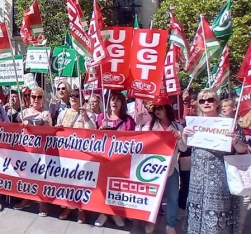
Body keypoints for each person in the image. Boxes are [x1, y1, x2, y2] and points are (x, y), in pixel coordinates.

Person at [182, 89, 249, 234]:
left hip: (220, 181)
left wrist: (236, 141)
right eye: (202, 100)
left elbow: (243, 150)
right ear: (198, 104)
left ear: (217, 102)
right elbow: (183, 147)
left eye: (210, 100)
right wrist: (183, 136)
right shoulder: (193, 123)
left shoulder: (229, 124)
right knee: (196, 213)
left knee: (218, 216)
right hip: (197, 180)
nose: (206, 103)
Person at [140, 97, 185, 234]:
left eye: (161, 108)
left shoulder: (178, 127)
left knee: (172, 197)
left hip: (172, 168)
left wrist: (179, 137)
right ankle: (150, 222)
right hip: (152, 168)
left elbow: (183, 149)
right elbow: (141, 142)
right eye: (156, 109)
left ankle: (170, 225)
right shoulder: (149, 125)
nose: (158, 111)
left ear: (167, 109)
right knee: (153, 196)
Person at [95, 92, 136, 227]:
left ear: (123, 104)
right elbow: (94, 138)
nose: (115, 102)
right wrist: (101, 129)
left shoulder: (128, 120)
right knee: (103, 186)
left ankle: (115, 213)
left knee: (116, 187)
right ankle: (103, 213)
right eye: (113, 99)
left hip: (121, 160)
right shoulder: (102, 117)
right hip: (104, 158)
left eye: (118, 100)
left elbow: (132, 140)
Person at [54, 88, 96, 222]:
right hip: (65, 154)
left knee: (81, 183)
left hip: (81, 155)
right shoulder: (63, 112)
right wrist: (57, 126)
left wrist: (85, 117)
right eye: (71, 95)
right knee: (68, 184)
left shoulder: (88, 113)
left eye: (76, 96)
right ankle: (68, 207)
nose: (73, 98)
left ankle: (81, 210)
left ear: (81, 99)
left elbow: (93, 129)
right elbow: (56, 129)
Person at [14, 87, 54, 216]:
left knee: (40, 176)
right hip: (25, 149)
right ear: (29, 98)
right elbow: (12, 127)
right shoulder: (23, 112)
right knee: (26, 176)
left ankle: (42, 203)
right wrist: (22, 123)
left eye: (39, 97)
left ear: (43, 99)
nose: (36, 99)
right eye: (33, 96)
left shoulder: (46, 113)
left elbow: (49, 131)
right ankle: (26, 199)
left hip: (40, 150)